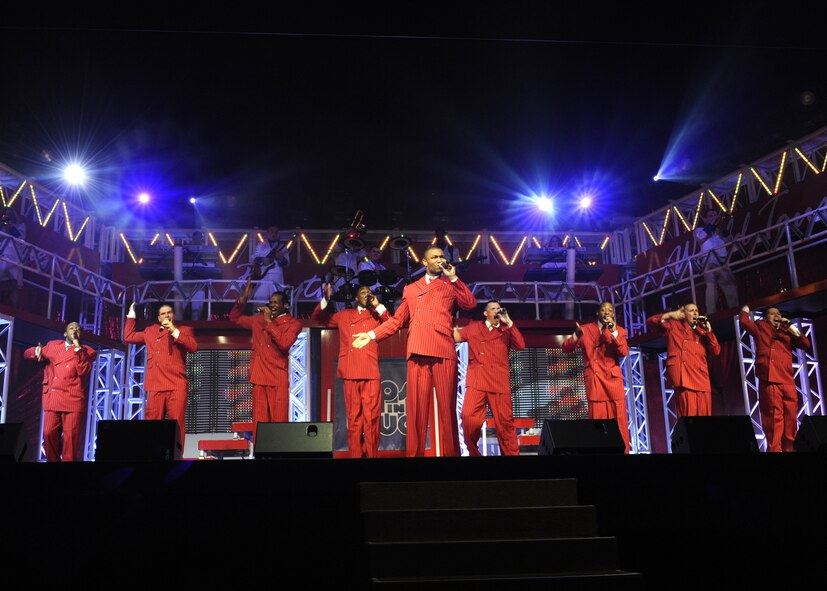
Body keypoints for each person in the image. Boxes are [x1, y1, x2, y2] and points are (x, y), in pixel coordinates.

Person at [353, 246, 477, 457]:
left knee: (447, 410)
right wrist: (372, 335)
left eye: (442, 257)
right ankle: (415, 460)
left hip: (443, 350)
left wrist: (454, 278)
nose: (439, 260)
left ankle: (452, 458)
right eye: (434, 257)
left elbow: (470, 304)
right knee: (416, 411)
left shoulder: (450, 285)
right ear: (424, 262)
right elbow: (397, 321)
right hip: (418, 350)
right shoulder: (411, 289)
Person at [311, 282, 390, 458]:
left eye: (369, 292)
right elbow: (318, 318)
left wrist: (378, 305)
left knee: (371, 419)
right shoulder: (345, 315)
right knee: (354, 419)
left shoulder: (376, 315)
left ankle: (372, 456)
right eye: (363, 292)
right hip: (350, 371)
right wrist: (326, 299)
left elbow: (391, 323)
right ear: (356, 298)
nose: (367, 294)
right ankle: (355, 457)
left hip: (369, 371)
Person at [231, 276, 302, 439]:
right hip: (259, 377)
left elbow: (284, 343)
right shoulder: (258, 321)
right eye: (271, 302)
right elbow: (235, 318)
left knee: (279, 422)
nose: (272, 305)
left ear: (285, 305)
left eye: (276, 302)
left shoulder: (293, 324)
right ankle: (259, 455)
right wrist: (243, 299)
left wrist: (270, 322)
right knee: (260, 423)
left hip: (277, 378)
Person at [453, 300, 525, 456]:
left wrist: (510, 322)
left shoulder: (506, 330)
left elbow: (520, 345)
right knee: (468, 418)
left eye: (499, 309)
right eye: (493, 309)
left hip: (499, 382)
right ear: (486, 313)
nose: (497, 311)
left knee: (505, 425)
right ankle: (474, 453)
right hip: (477, 380)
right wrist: (445, 319)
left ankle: (513, 461)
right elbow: (456, 336)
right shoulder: (473, 328)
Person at [562, 301, 631, 453]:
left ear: (613, 314)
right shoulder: (586, 330)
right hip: (595, 381)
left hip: (613, 382)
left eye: (610, 310)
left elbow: (623, 352)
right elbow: (565, 347)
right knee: (598, 423)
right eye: (603, 309)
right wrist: (575, 335)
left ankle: (623, 454)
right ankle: (599, 455)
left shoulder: (619, 331)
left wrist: (612, 332)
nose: (606, 312)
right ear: (597, 313)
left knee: (619, 421)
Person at [124, 302, 197, 444]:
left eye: (169, 312)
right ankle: (152, 455)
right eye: (163, 313)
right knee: (152, 424)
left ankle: (176, 456)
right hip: (156, 384)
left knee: (176, 424)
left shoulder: (184, 330)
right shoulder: (150, 331)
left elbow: (193, 347)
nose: (166, 315)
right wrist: (131, 315)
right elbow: (129, 336)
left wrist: (174, 331)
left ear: (173, 315)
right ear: (158, 318)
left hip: (176, 384)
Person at [739, 305, 811, 452]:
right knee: (773, 421)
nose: (776, 315)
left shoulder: (787, 332)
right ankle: (775, 451)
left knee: (791, 419)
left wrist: (791, 327)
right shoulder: (761, 327)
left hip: (787, 379)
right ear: (766, 318)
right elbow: (745, 323)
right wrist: (745, 311)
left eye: (778, 313)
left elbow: (805, 344)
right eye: (772, 314)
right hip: (770, 380)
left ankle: (790, 450)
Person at [24, 322, 97, 461]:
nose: (75, 330)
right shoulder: (53, 346)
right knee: (49, 433)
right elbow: (27, 353)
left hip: (73, 400)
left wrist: (77, 348)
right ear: (65, 333)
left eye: (78, 329)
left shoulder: (87, 351)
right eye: (72, 328)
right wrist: (36, 352)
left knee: (71, 440)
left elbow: (83, 370)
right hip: (53, 398)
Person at [647, 303, 721, 418]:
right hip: (685, 379)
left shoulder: (702, 331)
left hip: (702, 379)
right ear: (683, 314)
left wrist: (709, 331)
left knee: (705, 422)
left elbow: (716, 351)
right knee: (688, 421)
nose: (695, 313)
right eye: (691, 311)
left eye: (696, 310)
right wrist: (671, 314)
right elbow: (651, 322)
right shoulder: (674, 326)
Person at [694, 209, 738, 314]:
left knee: (729, 285)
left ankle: (735, 310)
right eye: (710, 216)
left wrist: (722, 227)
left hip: (722, 261)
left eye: (715, 215)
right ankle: (711, 314)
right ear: (705, 219)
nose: (713, 217)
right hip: (708, 262)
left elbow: (730, 240)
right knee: (711, 286)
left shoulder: (720, 230)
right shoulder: (699, 230)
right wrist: (712, 224)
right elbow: (700, 238)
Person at [252, 226, 289, 303]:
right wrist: (262, 260)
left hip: (277, 276)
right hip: (263, 277)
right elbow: (254, 259)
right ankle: (259, 315)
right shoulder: (261, 245)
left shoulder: (283, 247)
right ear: (268, 233)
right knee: (259, 300)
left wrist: (281, 258)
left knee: (277, 301)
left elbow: (287, 264)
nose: (273, 234)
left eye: (276, 232)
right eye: (271, 231)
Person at [0, 205, 26, 308]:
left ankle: (14, 310)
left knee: (13, 286)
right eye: (5, 214)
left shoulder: (20, 226)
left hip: (13, 259)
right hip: (2, 258)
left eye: (9, 214)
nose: (7, 216)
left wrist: (10, 227)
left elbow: (20, 239)